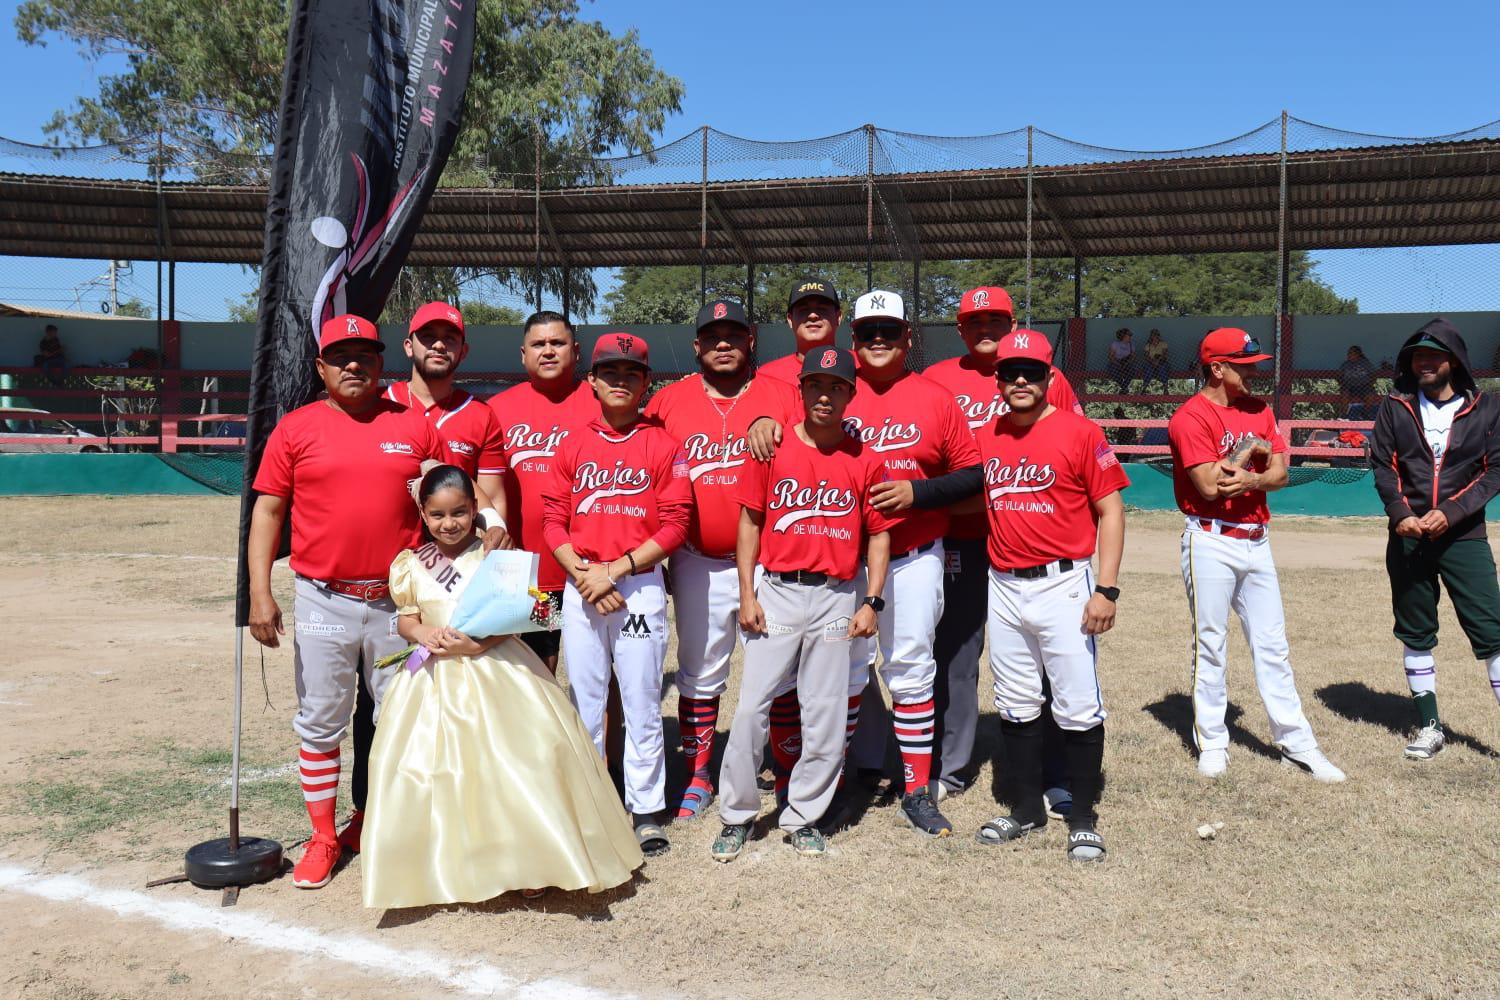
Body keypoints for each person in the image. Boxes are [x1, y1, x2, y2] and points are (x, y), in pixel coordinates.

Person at [875, 329, 1126, 861]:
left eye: (1031, 372)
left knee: (1077, 705)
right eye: (1010, 373)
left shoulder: (1080, 432)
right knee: (1015, 704)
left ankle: (1081, 818)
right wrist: (914, 498)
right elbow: (963, 492)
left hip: (1064, 580)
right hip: (1005, 583)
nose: (1019, 381)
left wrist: (1105, 589)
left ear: (1049, 378)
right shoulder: (988, 437)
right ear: (998, 381)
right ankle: (1026, 809)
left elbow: (1111, 510)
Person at [362, 465, 643, 908]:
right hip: (433, 679)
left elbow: (530, 614)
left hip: (498, 668)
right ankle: (452, 863)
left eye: (458, 512)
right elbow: (407, 618)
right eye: (437, 515)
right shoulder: (412, 564)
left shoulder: (498, 559)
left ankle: (531, 860)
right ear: (423, 514)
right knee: (438, 771)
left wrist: (479, 643)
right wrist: (423, 636)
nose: (448, 523)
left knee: (519, 763)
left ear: (476, 510)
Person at [246, 314, 455, 889]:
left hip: (400, 606)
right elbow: (268, 511)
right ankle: (321, 838)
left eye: (364, 355)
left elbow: (448, 503)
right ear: (321, 367)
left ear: (382, 363)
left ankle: (375, 822)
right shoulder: (296, 428)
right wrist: (259, 593)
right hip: (323, 600)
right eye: (341, 356)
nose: (353, 365)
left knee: (400, 721)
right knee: (321, 722)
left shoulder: (413, 426)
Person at [340, 300, 513, 857]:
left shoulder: (479, 415)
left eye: (450, 338)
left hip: (455, 579)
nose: (438, 345)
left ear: (463, 349)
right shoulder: (380, 401)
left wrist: (497, 534)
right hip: (393, 576)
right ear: (408, 345)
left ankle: (469, 820)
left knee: (467, 703)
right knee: (379, 708)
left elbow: (490, 497)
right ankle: (371, 813)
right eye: (426, 336)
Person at [711, 347, 893, 861]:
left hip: (838, 593)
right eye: (816, 385)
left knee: (827, 714)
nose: (825, 395)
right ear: (802, 391)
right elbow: (750, 522)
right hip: (780, 591)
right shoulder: (772, 447)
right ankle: (737, 814)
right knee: (751, 710)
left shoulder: (866, 457)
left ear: (850, 394)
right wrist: (747, 593)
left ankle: (803, 815)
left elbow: (878, 538)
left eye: (836, 386)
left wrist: (872, 601)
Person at [922, 286, 1083, 813]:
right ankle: (951, 765)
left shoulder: (1043, 375)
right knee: (956, 655)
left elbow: (1075, 442)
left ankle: (1053, 770)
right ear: (960, 327)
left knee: (1047, 662)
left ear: (1013, 321)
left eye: (996, 318)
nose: (985, 327)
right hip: (961, 541)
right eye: (974, 320)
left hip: (1031, 542)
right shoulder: (938, 378)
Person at [645, 299, 799, 819]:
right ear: (697, 346)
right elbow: (645, 474)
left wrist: (776, 427)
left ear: (751, 338)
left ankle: (785, 767)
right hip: (697, 558)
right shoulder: (668, 402)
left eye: (734, 333)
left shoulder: (784, 397)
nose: (724, 343)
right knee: (699, 670)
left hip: (769, 561)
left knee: (779, 668)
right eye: (713, 335)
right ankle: (698, 775)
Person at [1168, 328, 1345, 782]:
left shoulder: (1261, 410)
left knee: (1273, 646)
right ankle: (1213, 741)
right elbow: (1210, 486)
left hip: (1256, 538)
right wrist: (1251, 455)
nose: (1253, 372)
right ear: (1217, 368)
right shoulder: (1190, 417)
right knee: (1211, 644)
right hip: (1210, 538)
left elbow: (1281, 473)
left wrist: (1247, 478)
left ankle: (1297, 743)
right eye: (1243, 365)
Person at [836, 289, 980, 838]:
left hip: (915, 556)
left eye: (888, 331)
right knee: (846, 669)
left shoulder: (935, 398)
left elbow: (973, 474)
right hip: (844, 559)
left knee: (911, 667)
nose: (878, 340)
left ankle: (917, 789)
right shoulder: (832, 394)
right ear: (853, 340)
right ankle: (844, 778)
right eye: (868, 331)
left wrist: (918, 493)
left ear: (907, 337)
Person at [543, 333, 692, 857]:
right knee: (585, 701)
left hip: (639, 589)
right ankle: (592, 801)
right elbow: (552, 521)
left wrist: (616, 569)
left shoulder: (663, 444)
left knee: (642, 701)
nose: (620, 381)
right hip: (582, 584)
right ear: (592, 381)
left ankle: (646, 809)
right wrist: (585, 574)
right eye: (610, 372)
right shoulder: (573, 442)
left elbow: (675, 525)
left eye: (632, 373)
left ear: (647, 383)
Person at [1369, 319, 1500, 761]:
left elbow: (1494, 471)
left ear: (1454, 361)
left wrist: (1452, 512)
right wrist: (1401, 515)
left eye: (1433, 355)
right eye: (1416, 357)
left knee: (1491, 632)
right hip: (1408, 537)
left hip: (1464, 536)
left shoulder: (1488, 408)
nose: (1423, 363)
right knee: (1416, 631)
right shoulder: (1395, 406)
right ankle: (1429, 726)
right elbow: (1384, 467)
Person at [487, 312, 600, 673]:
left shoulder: (602, 403)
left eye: (557, 343)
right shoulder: (499, 409)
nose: (548, 351)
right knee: (537, 670)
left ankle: (599, 734)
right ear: (523, 354)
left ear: (576, 351)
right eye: (538, 344)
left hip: (589, 568)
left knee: (601, 673)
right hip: (529, 573)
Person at [755, 278, 842, 388]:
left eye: (822, 308)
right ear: (790, 320)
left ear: (838, 317)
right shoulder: (766, 376)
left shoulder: (859, 368)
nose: (813, 315)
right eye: (804, 309)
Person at [1339, 345, 1377, 420]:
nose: (1348, 355)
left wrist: (1370, 384)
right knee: (1344, 393)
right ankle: (1344, 415)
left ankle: (1365, 413)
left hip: (1363, 386)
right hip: (1349, 386)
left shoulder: (1365, 363)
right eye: (1348, 353)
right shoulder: (1346, 364)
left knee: (1370, 395)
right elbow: (1339, 375)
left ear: (1357, 354)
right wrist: (1342, 383)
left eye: (1351, 353)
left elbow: (1373, 375)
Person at [1107, 328, 1135, 393]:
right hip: (1116, 362)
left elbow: (1133, 357)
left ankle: (1124, 388)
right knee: (1112, 370)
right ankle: (1124, 387)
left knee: (1132, 371)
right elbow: (1110, 357)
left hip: (1126, 363)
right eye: (1129, 335)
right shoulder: (1115, 344)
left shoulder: (1131, 345)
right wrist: (1118, 364)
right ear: (1124, 336)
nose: (1130, 337)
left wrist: (1127, 363)